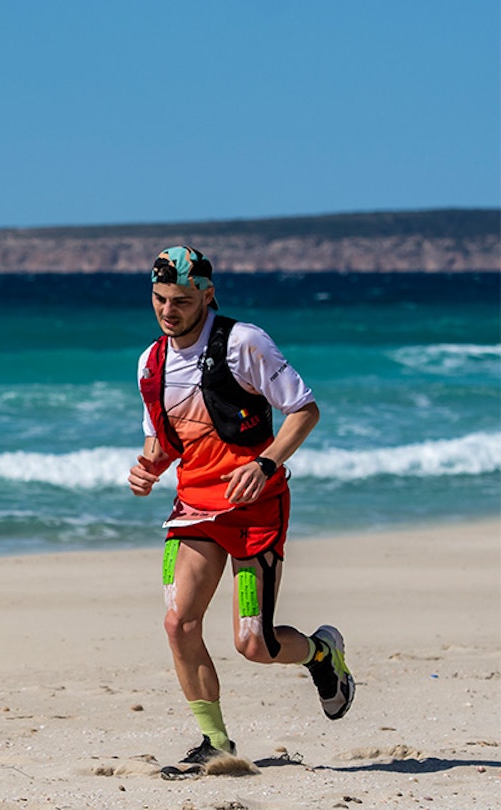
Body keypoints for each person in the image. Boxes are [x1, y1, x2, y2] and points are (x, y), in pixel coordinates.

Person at [127, 246, 354, 769]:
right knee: (178, 623)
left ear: (209, 295)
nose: (169, 311)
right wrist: (146, 470)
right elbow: (164, 443)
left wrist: (266, 464)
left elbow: (303, 411)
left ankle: (323, 653)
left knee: (256, 644)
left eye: (182, 301)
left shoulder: (243, 344)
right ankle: (216, 742)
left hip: (255, 508)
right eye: (160, 299)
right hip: (195, 508)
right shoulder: (151, 362)